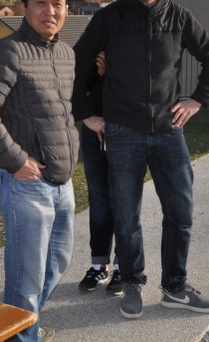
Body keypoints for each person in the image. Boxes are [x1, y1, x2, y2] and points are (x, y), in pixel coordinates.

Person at [72, 0, 209, 320]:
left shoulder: (179, 17)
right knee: (127, 217)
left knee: (180, 213)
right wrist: (85, 114)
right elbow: (76, 62)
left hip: (169, 131)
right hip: (122, 132)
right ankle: (132, 284)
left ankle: (175, 288)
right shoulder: (109, 17)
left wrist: (198, 100)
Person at [0, 0, 77, 342]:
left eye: (57, 3)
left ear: (67, 9)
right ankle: (21, 336)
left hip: (62, 182)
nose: (50, 10)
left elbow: (59, 110)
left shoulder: (66, 53)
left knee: (56, 264)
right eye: (40, 2)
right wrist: (15, 160)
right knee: (26, 280)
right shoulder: (10, 50)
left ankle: (20, 328)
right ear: (24, 7)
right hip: (25, 184)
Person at [77, 52, 123, 296]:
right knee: (99, 199)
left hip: (126, 131)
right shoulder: (90, 49)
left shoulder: (130, 45)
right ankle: (99, 265)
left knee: (124, 200)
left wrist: (108, 75)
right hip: (93, 129)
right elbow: (77, 91)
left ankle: (123, 266)